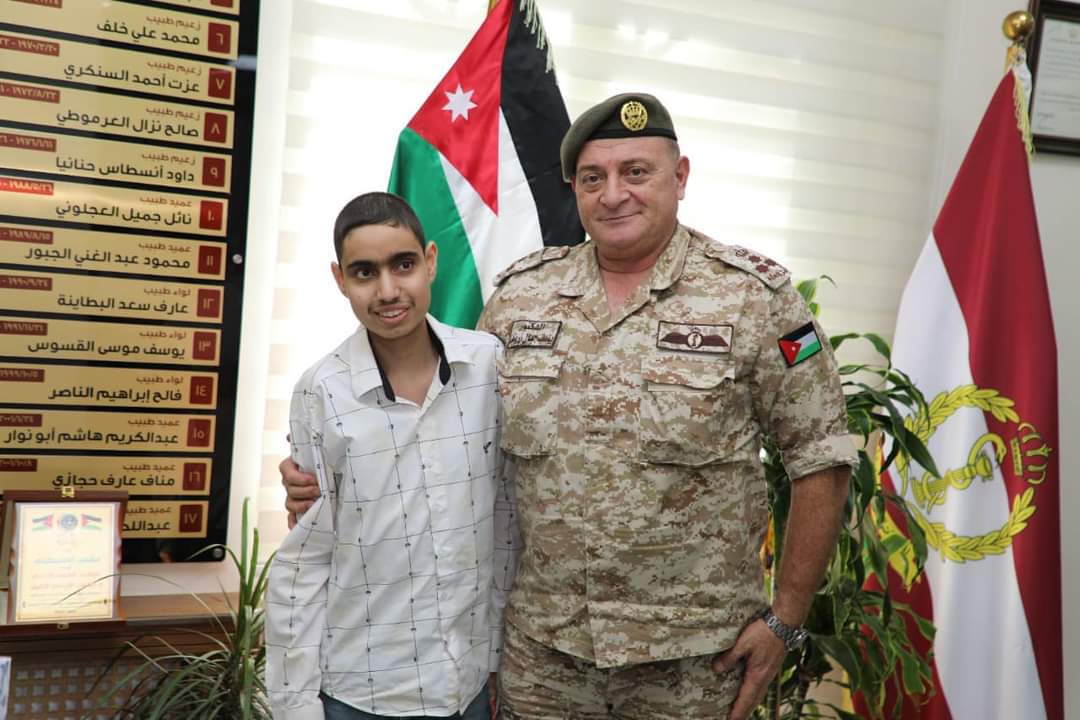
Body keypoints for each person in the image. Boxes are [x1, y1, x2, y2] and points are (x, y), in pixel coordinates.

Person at [283, 95, 856, 720]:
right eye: (592, 178)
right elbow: (455, 432)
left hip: (693, 664)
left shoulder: (754, 298)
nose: (613, 194)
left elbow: (820, 456)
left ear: (681, 175)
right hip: (543, 661)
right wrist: (324, 479)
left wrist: (786, 618)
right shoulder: (522, 299)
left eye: (635, 172)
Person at [266, 192, 520, 720]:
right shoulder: (321, 390)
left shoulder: (488, 365)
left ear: (430, 261)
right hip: (363, 692)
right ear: (340, 280)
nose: (387, 291)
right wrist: (295, 704)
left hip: (469, 682)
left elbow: (505, 519)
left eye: (403, 265)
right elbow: (307, 558)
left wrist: (496, 656)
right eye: (365, 272)